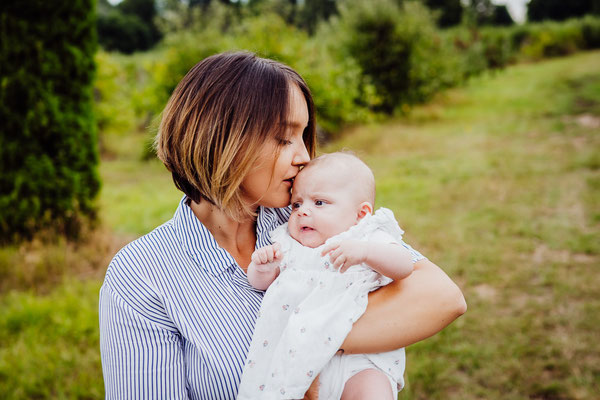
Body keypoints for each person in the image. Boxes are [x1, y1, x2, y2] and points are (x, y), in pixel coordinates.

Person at [99, 51, 467, 400]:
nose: (305, 156)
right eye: (282, 137)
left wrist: (303, 346)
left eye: (303, 135)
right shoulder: (141, 277)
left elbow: (442, 297)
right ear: (220, 138)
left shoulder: (307, 217)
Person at [238, 152, 418, 400]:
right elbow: (258, 284)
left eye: (319, 203)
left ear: (361, 214)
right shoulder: (289, 244)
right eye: (297, 204)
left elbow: (404, 266)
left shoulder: (365, 236)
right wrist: (262, 266)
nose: (303, 212)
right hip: (298, 364)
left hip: (361, 360)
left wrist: (366, 253)